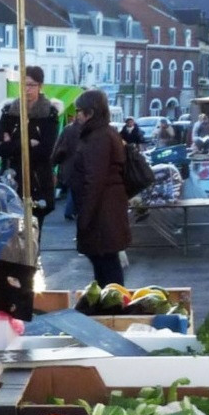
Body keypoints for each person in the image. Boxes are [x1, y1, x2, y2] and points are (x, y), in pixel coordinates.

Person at [69, 88, 131, 289]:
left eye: (79, 110)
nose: (76, 114)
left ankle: (112, 311)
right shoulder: (104, 133)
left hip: (102, 212)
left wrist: (85, 217)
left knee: (107, 266)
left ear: (91, 112)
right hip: (105, 209)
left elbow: (95, 179)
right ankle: (108, 308)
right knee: (104, 263)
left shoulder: (99, 137)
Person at [0, 66, 59, 231]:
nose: (27, 89)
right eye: (24, 84)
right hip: (11, 181)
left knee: (34, 234)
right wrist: (27, 143)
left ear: (40, 86)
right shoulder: (9, 111)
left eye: (32, 85)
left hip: (38, 181)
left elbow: (46, 151)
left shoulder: (49, 114)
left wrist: (11, 143)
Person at [52, 106, 90, 220]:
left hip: (68, 164)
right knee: (81, 189)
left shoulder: (68, 129)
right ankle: (75, 212)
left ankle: (70, 211)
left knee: (72, 188)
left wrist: (55, 162)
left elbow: (59, 147)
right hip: (84, 164)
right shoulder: (89, 130)